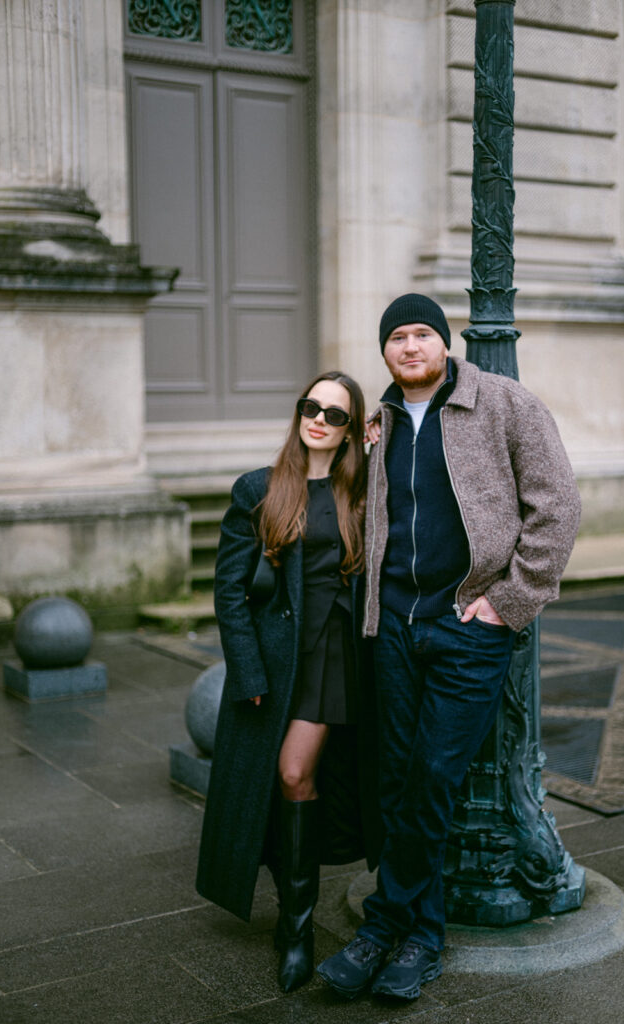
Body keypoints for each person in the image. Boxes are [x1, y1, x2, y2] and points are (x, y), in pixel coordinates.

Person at [316, 294, 582, 1001]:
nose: (410, 346)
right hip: (395, 627)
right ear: (385, 352)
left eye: (422, 333)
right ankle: (411, 935)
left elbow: (556, 506)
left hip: (467, 627)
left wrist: (510, 601)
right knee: (400, 777)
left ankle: (393, 928)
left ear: (444, 342)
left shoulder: (503, 404)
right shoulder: (384, 424)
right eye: (397, 337)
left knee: (434, 776)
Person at [196, 371, 382, 994]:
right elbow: (228, 591)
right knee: (286, 780)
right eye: (311, 407)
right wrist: (246, 668)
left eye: (335, 415)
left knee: (295, 772)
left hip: (339, 653)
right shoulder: (259, 489)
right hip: (278, 661)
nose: (319, 421)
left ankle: (296, 929)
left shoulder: (363, 490)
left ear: (352, 428)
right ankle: (293, 922)